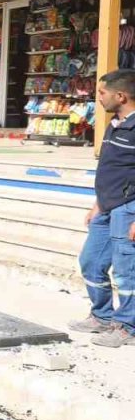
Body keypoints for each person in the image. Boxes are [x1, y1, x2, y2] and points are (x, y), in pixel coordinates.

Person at [75, 70, 135, 348]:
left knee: (126, 272)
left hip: (128, 208)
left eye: (101, 93)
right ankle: (101, 315)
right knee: (91, 262)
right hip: (107, 206)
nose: (97, 97)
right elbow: (110, 168)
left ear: (120, 95)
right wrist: (98, 204)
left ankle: (127, 327)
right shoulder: (114, 123)